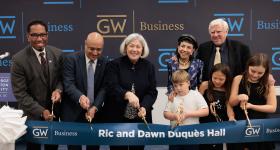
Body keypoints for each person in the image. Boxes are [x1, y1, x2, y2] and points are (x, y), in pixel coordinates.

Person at [11, 20, 63, 150]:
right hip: (33, 115)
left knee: (53, 147)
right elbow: (20, 94)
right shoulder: (19, 60)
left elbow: (62, 79)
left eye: (43, 34)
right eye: (34, 35)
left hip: (54, 113)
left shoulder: (57, 53)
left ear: (47, 35)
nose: (39, 38)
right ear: (28, 36)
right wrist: (41, 111)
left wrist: (58, 90)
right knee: (33, 147)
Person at [102, 33, 158, 150]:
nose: (134, 49)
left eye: (138, 47)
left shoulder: (149, 67)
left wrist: (144, 107)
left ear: (142, 49)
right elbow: (111, 86)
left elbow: (152, 91)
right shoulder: (113, 65)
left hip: (139, 117)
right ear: (125, 47)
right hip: (116, 117)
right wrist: (127, 94)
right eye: (131, 46)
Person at [62, 32, 108, 150]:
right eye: (91, 48)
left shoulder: (105, 62)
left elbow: (104, 88)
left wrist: (95, 107)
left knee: (93, 147)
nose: (95, 53)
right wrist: (81, 97)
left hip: (95, 113)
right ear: (85, 44)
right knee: (74, 147)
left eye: (99, 49)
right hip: (73, 113)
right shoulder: (71, 59)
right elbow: (68, 84)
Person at [229, 53, 277, 150]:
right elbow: (231, 102)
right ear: (248, 66)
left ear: (266, 72)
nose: (255, 75)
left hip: (261, 127)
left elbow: (272, 108)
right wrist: (238, 97)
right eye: (253, 71)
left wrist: (251, 106)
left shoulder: (268, 83)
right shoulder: (238, 79)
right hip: (239, 126)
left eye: (260, 73)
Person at [164, 70, 209, 150]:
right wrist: (174, 116)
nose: (178, 88)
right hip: (175, 135)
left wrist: (188, 114)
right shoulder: (172, 96)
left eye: (181, 85)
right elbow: (165, 113)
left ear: (188, 83)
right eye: (175, 85)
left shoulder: (195, 94)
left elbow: (206, 111)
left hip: (192, 135)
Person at [199, 63, 235, 150]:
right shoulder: (204, 85)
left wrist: (231, 117)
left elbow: (229, 106)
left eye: (221, 79)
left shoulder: (227, 89)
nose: (217, 81)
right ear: (211, 75)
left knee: (218, 145)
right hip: (205, 121)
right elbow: (198, 101)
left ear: (227, 78)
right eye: (214, 78)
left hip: (220, 122)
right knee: (204, 145)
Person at [166, 34, 203, 98]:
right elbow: (170, 83)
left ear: (193, 50)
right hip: (176, 97)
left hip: (192, 98)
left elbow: (200, 84)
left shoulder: (198, 64)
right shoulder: (171, 62)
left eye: (189, 47)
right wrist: (171, 92)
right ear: (178, 47)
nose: (185, 49)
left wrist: (199, 98)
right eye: (182, 46)